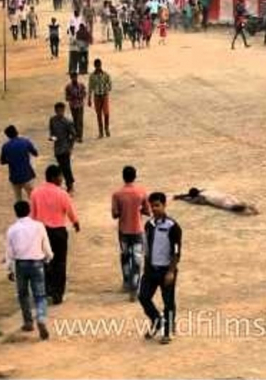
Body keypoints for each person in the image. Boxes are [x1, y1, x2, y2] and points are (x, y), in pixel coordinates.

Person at [30, 165, 80, 305]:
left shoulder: (35, 193)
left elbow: (32, 214)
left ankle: (47, 290)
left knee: (44, 262)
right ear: (53, 177)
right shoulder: (62, 193)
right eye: (60, 177)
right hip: (58, 232)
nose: (62, 179)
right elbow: (70, 210)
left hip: (41, 232)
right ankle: (58, 293)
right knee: (60, 263)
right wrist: (75, 223)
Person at [138, 192, 182, 345]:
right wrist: (146, 266)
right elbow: (147, 247)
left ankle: (167, 331)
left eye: (157, 205)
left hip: (166, 270)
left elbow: (176, 251)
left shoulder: (173, 227)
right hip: (151, 270)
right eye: (152, 206)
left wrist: (171, 271)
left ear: (164, 205)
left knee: (168, 301)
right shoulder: (149, 225)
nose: (154, 209)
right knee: (143, 297)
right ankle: (157, 320)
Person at [5, 200, 53, 340]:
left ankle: (28, 322)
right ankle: (41, 318)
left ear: (16, 213)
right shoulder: (38, 226)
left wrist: (9, 269)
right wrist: (48, 258)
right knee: (40, 295)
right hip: (37, 263)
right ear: (29, 210)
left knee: (23, 294)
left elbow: (9, 252)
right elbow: (46, 245)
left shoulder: (12, 229)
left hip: (21, 265)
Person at [112, 166, 151, 301]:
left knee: (125, 255)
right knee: (137, 259)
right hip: (137, 230)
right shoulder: (141, 192)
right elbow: (148, 211)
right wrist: (138, 210)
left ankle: (126, 281)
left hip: (123, 230)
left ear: (123, 177)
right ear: (135, 177)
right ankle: (134, 288)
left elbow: (114, 214)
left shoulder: (117, 194)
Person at [0, 125, 39, 201]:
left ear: (7, 136)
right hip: (27, 175)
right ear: (16, 132)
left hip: (14, 177)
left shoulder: (5, 146)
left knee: (18, 199)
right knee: (32, 199)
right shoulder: (25, 141)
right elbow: (35, 153)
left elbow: (2, 161)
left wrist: (11, 160)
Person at [49, 102, 77, 193]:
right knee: (61, 166)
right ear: (55, 111)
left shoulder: (67, 122)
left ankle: (70, 185)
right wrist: (52, 138)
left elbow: (73, 135)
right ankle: (61, 183)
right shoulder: (52, 120)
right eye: (58, 111)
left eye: (61, 111)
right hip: (57, 148)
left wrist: (70, 147)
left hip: (65, 148)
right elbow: (52, 133)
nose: (60, 112)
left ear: (64, 111)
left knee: (66, 167)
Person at [173, 187, 259, 215]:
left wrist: (180, 197)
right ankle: (247, 205)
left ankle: (248, 207)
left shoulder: (201, 197)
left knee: (234, 208)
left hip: (221, 201)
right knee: (237, 202)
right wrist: (183, 195)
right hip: (226, 195)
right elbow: (193, 194)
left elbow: (190, 199)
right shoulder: (204, 190)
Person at [88, 58, 112, 139]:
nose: (98, 67)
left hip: (104, 95)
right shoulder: (92, 76)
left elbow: (109, 83)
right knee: (98, 114)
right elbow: (90, 87)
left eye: (99, 65)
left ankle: (106, 128)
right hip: (97, 96)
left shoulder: (105, 74)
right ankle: (101, 131)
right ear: (95, 66)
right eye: (96, 65)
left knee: (106, 113)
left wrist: (108, 88)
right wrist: (89, 99)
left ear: (101, 65)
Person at [65, 72, 86, 143]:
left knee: (79, 121)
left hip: (80, 105)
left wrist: (80, 96)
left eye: (75, 77)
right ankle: (76, 135)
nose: (74, 78)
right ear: (71, 78)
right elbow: (66, 98)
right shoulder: (68, 87)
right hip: (73, 106)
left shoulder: (81, 85)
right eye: (73, 77)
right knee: (75, 120)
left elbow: (84, 94)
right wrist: (72, 97)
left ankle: (80, 136)